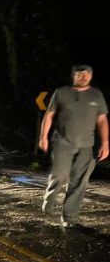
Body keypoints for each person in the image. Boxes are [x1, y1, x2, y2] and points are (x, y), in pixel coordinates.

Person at [39, 65, 109, 227]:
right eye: (79, 75)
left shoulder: (96, 95)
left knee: (79, 181)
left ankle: (69, 217)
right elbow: (49, 115)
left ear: (90, 76)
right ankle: (50, 198)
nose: (83, 77)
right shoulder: (61, 92)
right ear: (74, 76)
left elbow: (102, 120)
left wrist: (105, 143)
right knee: (61, 175)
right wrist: (43, 137)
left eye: (86, 75)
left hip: (86, 145)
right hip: (63, 142)